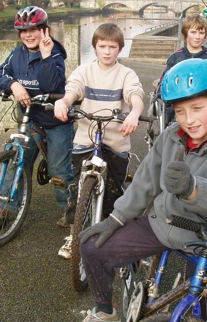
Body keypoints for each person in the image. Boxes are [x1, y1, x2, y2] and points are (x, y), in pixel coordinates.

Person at [78, 59, 207, 322]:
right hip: (161, 224)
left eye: (196, 108)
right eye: (180, 111)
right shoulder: (172, 134)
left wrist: (192, 189)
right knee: (91, 246)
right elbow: (146, 179)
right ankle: (105, 309)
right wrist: (117, 217)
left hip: (203, 236)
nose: (188, 120)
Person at [54, 22, 145, 259]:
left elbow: (135, 95)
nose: (107, 51)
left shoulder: (126, 74)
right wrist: (64, 102)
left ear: (120, 49)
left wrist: (134, 113)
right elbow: (73, 90)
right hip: (86, 137)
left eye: (112, 46)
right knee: (78, 190)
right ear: (94, 47)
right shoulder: (84, 71)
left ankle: (110, 230)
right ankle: (74, 235)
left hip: (115, 141)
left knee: (114, 191)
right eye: (102, 46)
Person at [0, 5, 74, 228]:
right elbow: (0, 73)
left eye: (34, 29)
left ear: (44, 30)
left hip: (55, 121)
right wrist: (13, 84)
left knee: (60, 170)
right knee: (15, 160)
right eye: (23, 31)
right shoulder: (17, 53)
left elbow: (50, 85)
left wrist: (46, 56)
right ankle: (3, 208)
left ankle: (70, 211)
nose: (28, 35)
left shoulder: (55, 53)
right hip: (30, 119)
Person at [155, 13, 207, 126]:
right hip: (179, 103)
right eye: (193, 32)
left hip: (202, 105)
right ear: (185, 33)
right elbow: (164, 80)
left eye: (201, 33)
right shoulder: (175, 57)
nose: (198, 37)